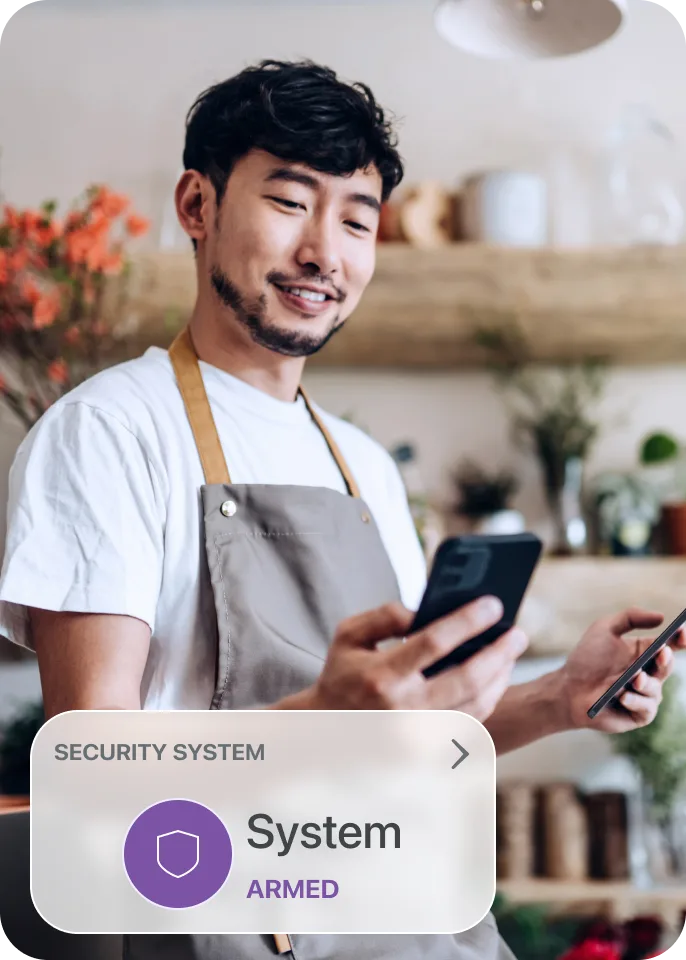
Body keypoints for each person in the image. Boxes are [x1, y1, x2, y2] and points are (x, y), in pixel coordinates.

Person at [0, 59, 682, 960]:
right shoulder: (106, 433)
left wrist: (562, 696)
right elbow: (92, 782)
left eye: (357, 219)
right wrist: (326, 720)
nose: (327, 251)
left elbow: (416, 737)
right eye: (290, 203)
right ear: (197, 206)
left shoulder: (361, 465)